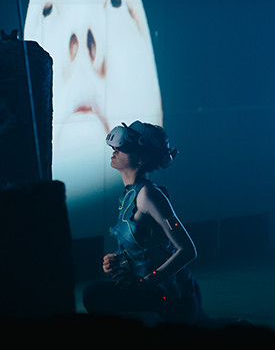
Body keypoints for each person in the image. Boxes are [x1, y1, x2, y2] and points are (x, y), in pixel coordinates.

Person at [81, 121, 204, 325]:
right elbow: (144, 247)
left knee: (93, 294)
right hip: (151, 291)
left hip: (172, 300)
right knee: (92, 294)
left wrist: (147, 281)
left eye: (123, 148)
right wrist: (117, 261)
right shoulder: (131, 193)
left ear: (142, 158)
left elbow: (187, 250)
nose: (114, 151)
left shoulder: (149, 195)